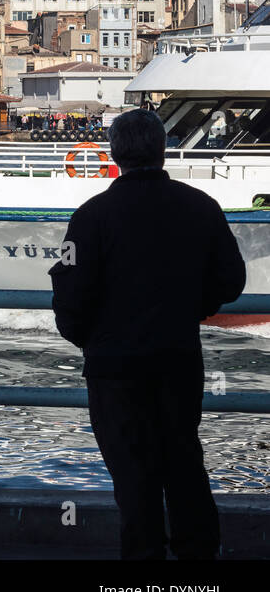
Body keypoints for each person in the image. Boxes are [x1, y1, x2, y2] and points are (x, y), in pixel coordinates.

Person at [49, 108, 245, 560]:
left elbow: (70, 295)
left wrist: (88, 338)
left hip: (114, 368)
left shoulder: (88, 217)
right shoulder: (202, 207)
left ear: (115, 154)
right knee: (183, 463)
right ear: (161, 150)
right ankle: (198, 558)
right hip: (177, 358)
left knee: (132, 478)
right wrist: (189, 310)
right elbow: (231, 281)